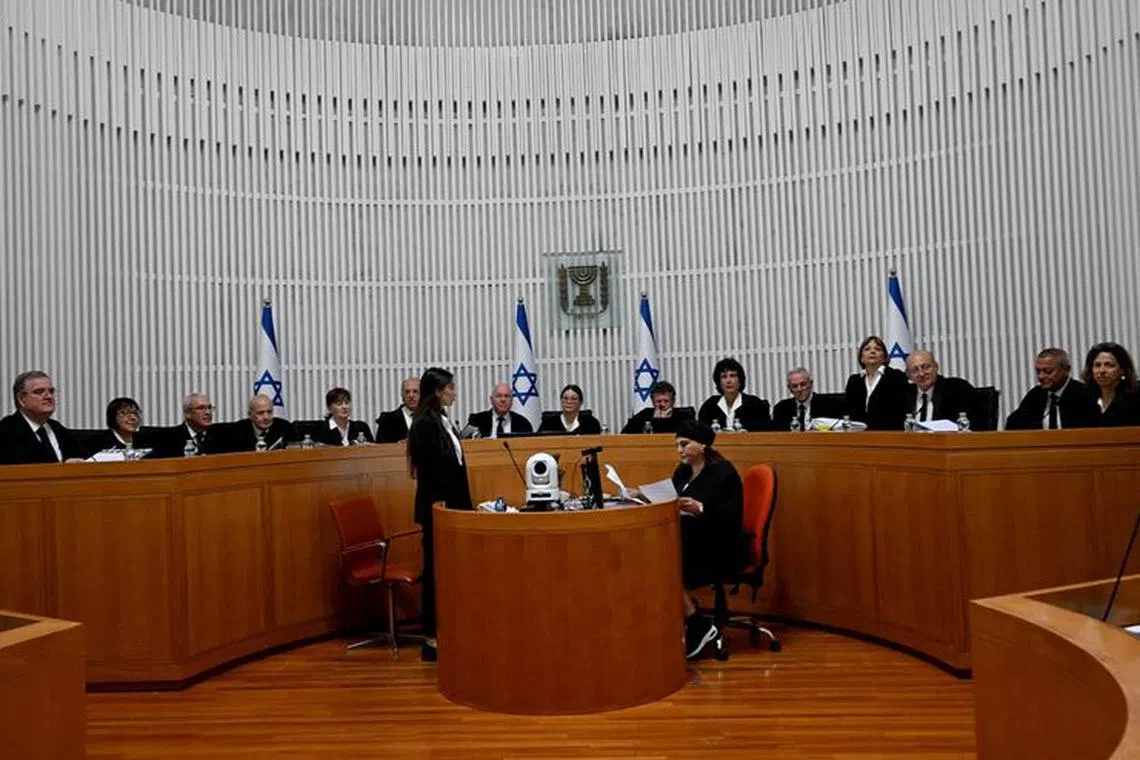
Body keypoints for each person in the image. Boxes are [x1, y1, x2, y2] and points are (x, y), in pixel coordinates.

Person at [407, 367, 473, 662]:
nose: (454, 392)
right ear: (436, 391)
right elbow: (433, 473)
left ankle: (449, 631)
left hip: (453, 507)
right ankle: (431, 639)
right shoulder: (424, 424)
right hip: (439, 509)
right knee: (435, 574)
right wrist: (446, 506)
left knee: (449, 574)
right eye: (450, 388)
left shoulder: (443, 420)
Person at [670, 420, 748, 660]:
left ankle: (697, 622)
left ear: (702, 445)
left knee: (664, 565)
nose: (679, 450)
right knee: (660, 558)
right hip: (693, 539)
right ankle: (694, 620)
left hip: (720, 544)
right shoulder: (682, 472)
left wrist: (701, 508)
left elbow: (731, 516)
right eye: (677, 445)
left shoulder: (724, 473)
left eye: (684, 444)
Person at [0, 371, 88, 464]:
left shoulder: (57, 428)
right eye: (39, 392)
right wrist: (62, 469)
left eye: (51, 391)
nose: (49, 396)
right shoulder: (6, 431)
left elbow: (87, 459)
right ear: (22, 399)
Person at [1006, 348, 1099, 430]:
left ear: (1066, 370)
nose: (1041, 376)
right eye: (1038, 371)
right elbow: (1013, 425)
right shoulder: (1035, 396)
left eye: (1048, 371)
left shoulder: (1084, 394)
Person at [843, 336, 909, 430]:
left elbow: (901, 410)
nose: (872, 352)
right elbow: (849, 412)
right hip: (859, 435)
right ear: (861, 358)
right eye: (867, 349)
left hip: (889, 434)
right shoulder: (854, 381)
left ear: (884, 358)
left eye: (877, 349)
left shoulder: (896, 377)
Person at [903, 351, 982, 428]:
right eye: (915, 370)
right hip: (911, 441)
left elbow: (973, 425)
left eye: (926, 367)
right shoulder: (904, 394)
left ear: (936, 367)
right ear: (908, 375)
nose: (921, 374)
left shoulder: (957, 389)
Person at [697, 358, 771, 431]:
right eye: (724, 376)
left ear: (740, 380)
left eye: (732, 376)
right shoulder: (709, 406)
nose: (728, 381)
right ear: (719, 382)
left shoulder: (755, 405)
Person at [205, 395, 298, 453]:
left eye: (269, 412)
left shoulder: (284, 427)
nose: (266, 417)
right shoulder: (237, 431)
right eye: (260, 413)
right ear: (250, 415)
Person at [1081, 342, 1140, 427]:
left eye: (1109, 365)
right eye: (1097, 365)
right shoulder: (1084, 398)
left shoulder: (1136, 397)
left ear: (1122, 370)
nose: (1101, 371)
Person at [770, 368, 847, 430]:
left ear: (811, 384)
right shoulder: (781, 408)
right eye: (794, 386)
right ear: (789, 389)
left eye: (803, 384)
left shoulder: (830, 405)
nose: (799, 389)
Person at [621, 381, 694, 434]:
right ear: (653, 402)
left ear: (673, 401)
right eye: (659, 401)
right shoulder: (643, 415)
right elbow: (625, 434)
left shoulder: (684, 416)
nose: (662, 404)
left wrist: (664, 422)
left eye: (666, 401)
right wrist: (654, 421)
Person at [466, 383, 534, 438]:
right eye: (499, 396)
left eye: (507, 396)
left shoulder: (523, 424)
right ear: (491, 400)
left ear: (512, 400)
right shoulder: (477, 421)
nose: (503, 400)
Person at [90, 397, 154, 452]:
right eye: (126, 413)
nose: (133, 417)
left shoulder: (147, 442)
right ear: (112, 417)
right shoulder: (97, 443)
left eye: (135, 413)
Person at [537, 384, 603, 434]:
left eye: (574, 399)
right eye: (565, 398)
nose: (569, 402)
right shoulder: (548, 424)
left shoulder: (591, 423)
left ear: (580, 403)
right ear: (561, 401)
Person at [376, 377, 420, 443]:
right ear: (402, 395)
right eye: (407, 392)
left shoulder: (432, 418)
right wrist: (398, 445)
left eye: (415, 391)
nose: (411, 395)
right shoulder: (387, 420)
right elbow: (380, 448)